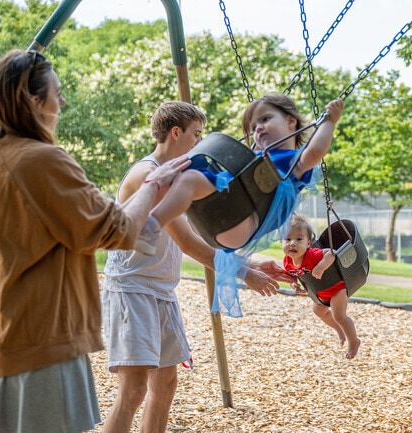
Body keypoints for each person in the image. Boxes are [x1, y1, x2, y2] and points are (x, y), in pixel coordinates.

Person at [0, 49, 190, 433]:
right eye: (56, 93)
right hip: (35, 342)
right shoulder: (40, 160)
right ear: (33, 100)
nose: (62, 102)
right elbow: (116, 229)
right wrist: (155, 183)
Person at [101, 101, 293, 433]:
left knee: (165, 385)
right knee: (133, 391)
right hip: (132, 289)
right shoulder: (150, 175)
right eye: (196, 134)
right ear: (176, 133)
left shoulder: (177, 177)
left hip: (160, 289)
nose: (199, 142)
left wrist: (253, 260)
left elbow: (203, 237)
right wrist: (246, 273)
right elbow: (189, 243)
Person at [134, 92, 345, 256]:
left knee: (189, 177)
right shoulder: (258, 158)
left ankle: (151, 225)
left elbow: (316, 151)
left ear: (291, 122)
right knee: (183, 173)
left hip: (244, 220)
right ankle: (143, 219)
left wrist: (329, 122)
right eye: (253, 127)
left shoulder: (293, 161)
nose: (258, 129)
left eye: (265, 119)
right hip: (222, 218)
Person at [282, 214, 361, 359]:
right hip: (320, 292)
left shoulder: (313, 255)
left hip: (337, 288)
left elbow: (331, 253)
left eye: (299, 239)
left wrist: (320, 267)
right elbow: (293, 275)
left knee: (339, 315)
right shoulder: (287, 261)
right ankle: (339, 330)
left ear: (308, 243)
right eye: (287, 239)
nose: (292, 243)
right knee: (318, 310)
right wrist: (294, 284)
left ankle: (354, 341)